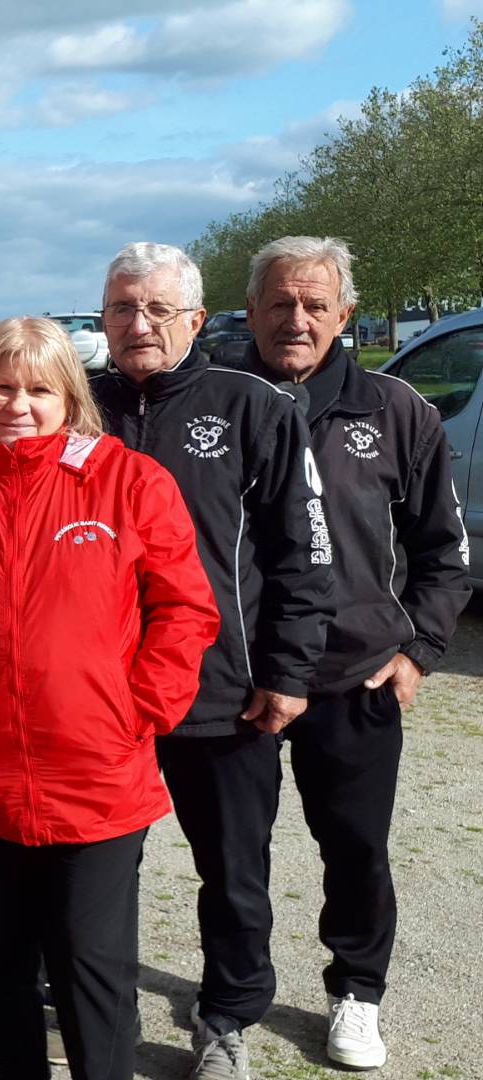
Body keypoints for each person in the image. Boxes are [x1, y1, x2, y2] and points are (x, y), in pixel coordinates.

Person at [0, 316, 219, 1079]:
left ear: (69, 397)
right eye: (2, 387)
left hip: (96, 777)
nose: (19, 404)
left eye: (39, 389)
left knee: (93, 966)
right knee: (0, 963)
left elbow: (184, 608)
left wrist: (140, 708)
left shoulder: (127, 481)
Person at [88, 242, 335, 1079]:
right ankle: (88, 993)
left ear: (197, 319)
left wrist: (288, 672)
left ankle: (227, 1014)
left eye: (158, 309)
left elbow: (302, 553)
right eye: (123, 309)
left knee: (232, 871)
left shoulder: (252, 405)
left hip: (220, 691)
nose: (139, 324)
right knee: (94, 863)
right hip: (96, 695)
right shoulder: (76, 407)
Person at [236, 237, 470, 1069]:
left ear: (343, 315)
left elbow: (446, 551)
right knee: (236, 856)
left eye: (314, 305)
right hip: (240, 681)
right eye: (279, 304)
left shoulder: (396, 410)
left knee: (355, 847)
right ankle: (235, 998)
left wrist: (419, 651)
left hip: (354, 677)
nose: (295, 320)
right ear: (252, 309)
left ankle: (357, 994)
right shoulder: (218, 403)